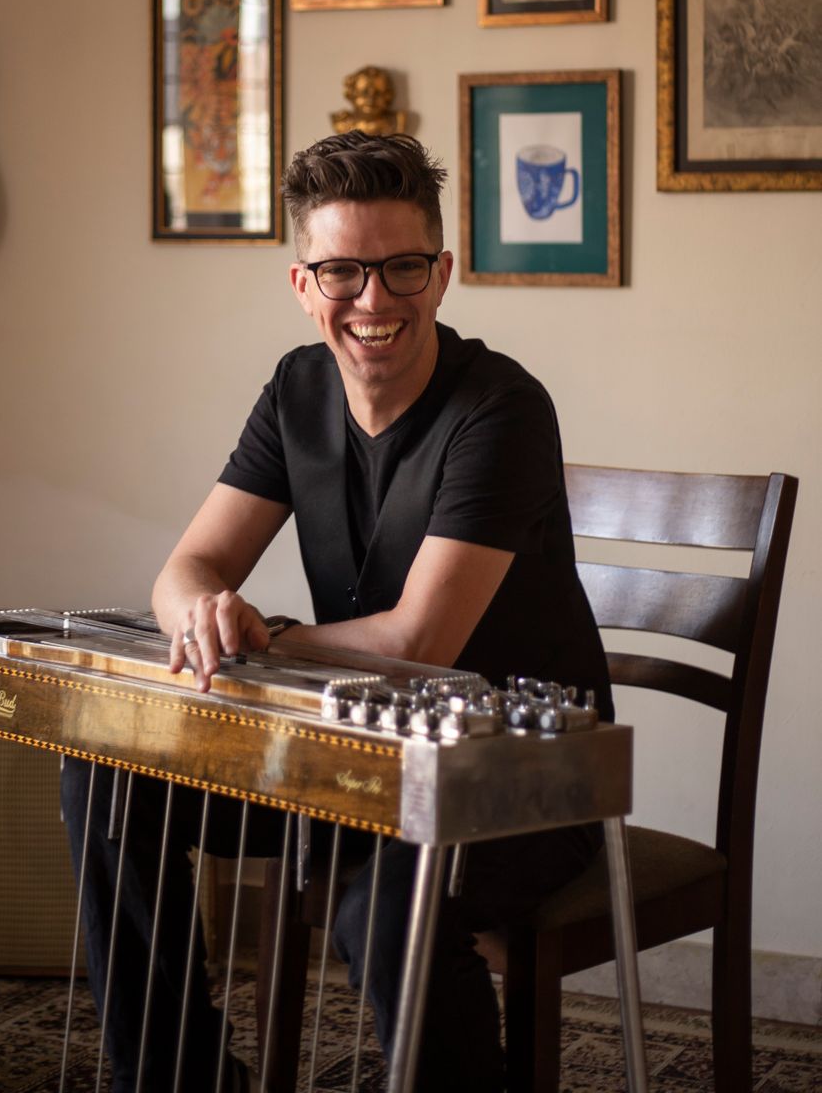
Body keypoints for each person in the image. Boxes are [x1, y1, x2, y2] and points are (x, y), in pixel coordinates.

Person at [63, 131, 613, 1093]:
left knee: (386, 910)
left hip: (520, 783)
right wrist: (202, 614)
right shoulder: (297, 388)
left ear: (442, 274)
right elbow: (188, 567)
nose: (374, 300)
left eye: (402, 268)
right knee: (108, 770)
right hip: (352, 764)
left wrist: (265, 637)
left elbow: (420, 641)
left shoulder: (503, 408)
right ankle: (174, 1076)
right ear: (303, 284)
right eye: (343, 272)